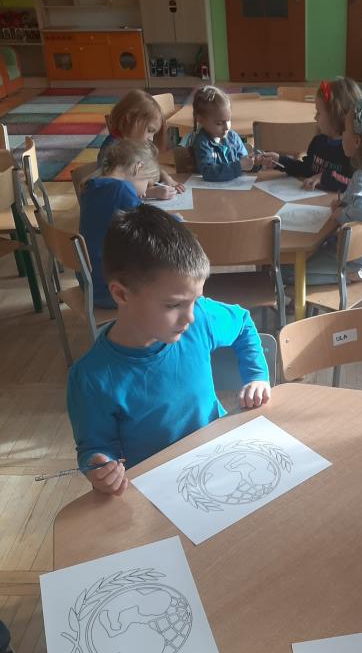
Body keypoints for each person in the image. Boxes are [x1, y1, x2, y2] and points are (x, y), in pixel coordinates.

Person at [67, 204, 271, 496]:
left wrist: (256, 376)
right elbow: (95, 448)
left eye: (195, 300)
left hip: (220, 460)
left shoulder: (200, 318)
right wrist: (99, 468)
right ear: (121, 294)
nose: (190, 317)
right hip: (158, 488)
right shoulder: (90, 378)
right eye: (174, 304)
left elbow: (242, 323)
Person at [282, 98, 362, 286]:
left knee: (283, 272)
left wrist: (341, 213)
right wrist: (346, 203)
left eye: (345, 130)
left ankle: (349, 276)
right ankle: (357, 272)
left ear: (357, 140)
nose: (342, 134)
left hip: (351, 260)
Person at [79, 139, 160, 309]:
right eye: (147, 183)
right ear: (137, 167)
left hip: (90, 285)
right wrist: (175, 220)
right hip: (112, 290)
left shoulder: (92, 186)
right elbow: (150, 226)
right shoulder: (121, 189)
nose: (145, 193)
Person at [263, 77, 362, 192]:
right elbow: (306, 169)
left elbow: (356, 184)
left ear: (336, 115)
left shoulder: (352, 150)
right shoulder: (318, 142)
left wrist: (324, 177)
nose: (315, 117)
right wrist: (279, 161)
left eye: (319, 112)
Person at [97, 89, 183, 200]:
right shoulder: (112, 150)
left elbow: (146, 169)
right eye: (149, 130)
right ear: (130, 119)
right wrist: (151, 193)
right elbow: (112, 191)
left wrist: (165, 177)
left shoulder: (134, 145)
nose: (151, 139)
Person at [187, 85, 258, 181]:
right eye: (219, 123)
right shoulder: (202, 142)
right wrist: (240, 166)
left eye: (228, 120)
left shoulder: (233, 137)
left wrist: (256, 162)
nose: (227, 127)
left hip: (235, 187)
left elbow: (245, 163)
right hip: (209, 189)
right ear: (200, 120)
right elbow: (208, 173)